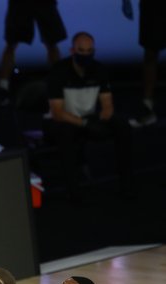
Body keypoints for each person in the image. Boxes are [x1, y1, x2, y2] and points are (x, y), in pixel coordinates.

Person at [43, 31, 134, 201]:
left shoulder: (99, 70)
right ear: (72, 50)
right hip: (61, 121)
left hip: (88, 118)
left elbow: (107, 106)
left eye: (89, 51)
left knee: (122, 125)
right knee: (66, 133)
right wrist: (85, 124)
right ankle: (75, 192)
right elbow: (57, 113)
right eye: (81, 50)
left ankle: (127, 185)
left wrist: (100, 119)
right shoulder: (59, 71)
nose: (85, 54)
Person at [0, 0, 67, 105]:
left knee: (52, 43)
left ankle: (57, 88)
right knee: (11, 43)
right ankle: (3, 88)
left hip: (44, 3)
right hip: (20, 4)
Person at [129, 0, 165, 127]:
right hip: (152, 6)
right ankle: (147, 110)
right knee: (150, 53)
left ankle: (148, 109)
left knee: (150, 55)